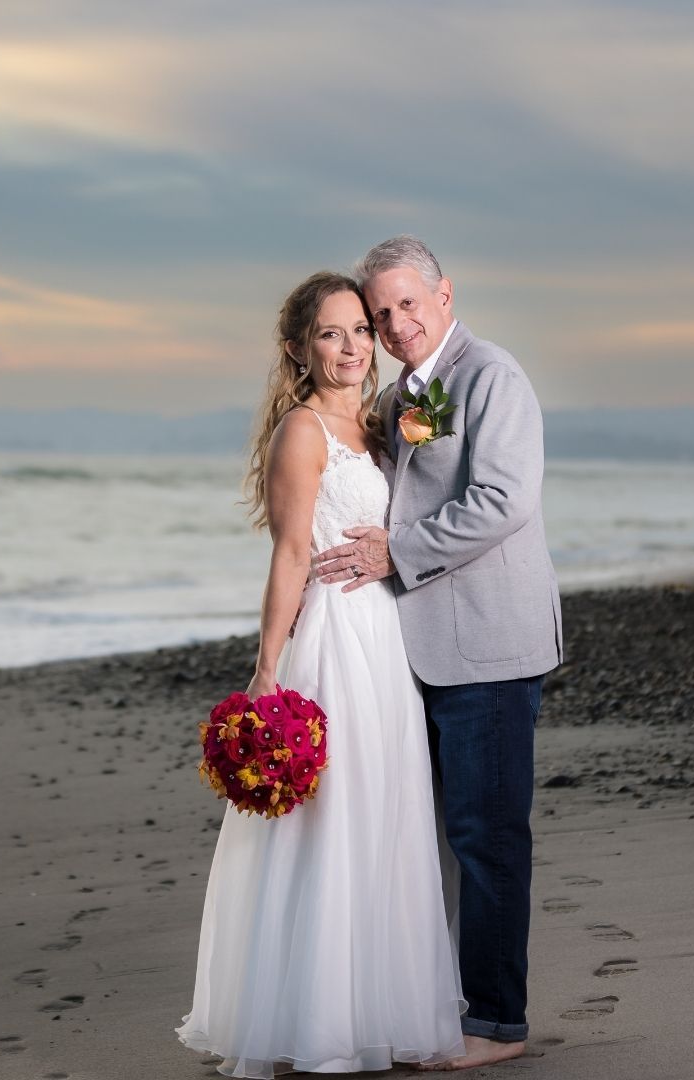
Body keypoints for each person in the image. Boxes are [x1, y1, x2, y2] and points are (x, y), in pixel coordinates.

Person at [176, 271, 466, 1077]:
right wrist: (268, 667)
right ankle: (316, 1018)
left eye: (361, 331)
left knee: (387, 814)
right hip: (335, 637)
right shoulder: (303, 432)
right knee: (329, 823)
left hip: (387, 639)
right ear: (300, 349)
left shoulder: (384, 424)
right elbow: (293, 555)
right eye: (333, 334)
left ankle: (380, 1010)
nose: (352, 347)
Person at [314, 237, 563, 1071]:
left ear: (445, 296)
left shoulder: (492, 377)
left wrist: (396, 552)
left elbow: (503, 500)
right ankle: (435, 1005)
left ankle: (497, 1023)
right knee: (429, 839)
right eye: (379, 314)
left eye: (406, 305)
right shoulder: (403, 398)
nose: (393, 325)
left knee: (487, 838)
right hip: (418, 653)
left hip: (488, 646)